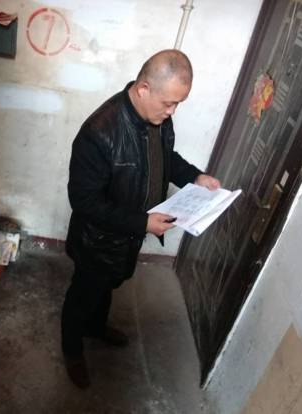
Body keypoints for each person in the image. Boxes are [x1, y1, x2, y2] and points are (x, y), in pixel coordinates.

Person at [61, 49, 220, 388]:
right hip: (97, 241)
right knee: (83, 296)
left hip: (127, 237)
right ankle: (72, 351)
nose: (172, 111)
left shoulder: (158, 118)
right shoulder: (98, 133)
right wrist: (143, 223)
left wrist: (195, 177)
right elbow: (84, 201)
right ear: (144, 88)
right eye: (168, 103)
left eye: (178, 104)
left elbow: (165, 158)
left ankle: (96, 328)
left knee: (108, 287)